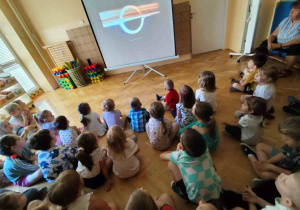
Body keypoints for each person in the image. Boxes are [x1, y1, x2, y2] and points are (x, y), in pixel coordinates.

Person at [160, 128, 222, 204]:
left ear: (182, 148)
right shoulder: (206, 149)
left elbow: (162, 156)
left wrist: (177, 149)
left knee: (171, 164)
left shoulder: (180, 156)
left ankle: (181, 192)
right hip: (216, 191)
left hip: (196, 200)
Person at [240, 117, 300, 182]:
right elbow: (283, 154)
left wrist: (270, 167)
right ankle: (262, 166)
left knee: (264, 174)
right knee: (260, 146)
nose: (283, 140)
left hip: (289, 175)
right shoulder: (292, 144)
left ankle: (251, 156)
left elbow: (292, 176)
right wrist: (267, 162)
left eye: (287, 139)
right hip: (284, 163)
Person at [259, 1, 300, 78]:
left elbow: (298, 40)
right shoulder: (286, 20)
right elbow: (273, 34)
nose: (291, 12)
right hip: (279, 42)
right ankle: (258, 63)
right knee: (264, 43)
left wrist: (279, 45)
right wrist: (269, 44)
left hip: (291, 45)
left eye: (295, 10)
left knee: (297, 46)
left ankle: (287, 70)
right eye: (292, 9)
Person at [47, 170, 119, 210]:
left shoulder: (61, 205)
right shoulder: (89, 199)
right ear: (80, 184)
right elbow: (106, 208)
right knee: (113, 206)